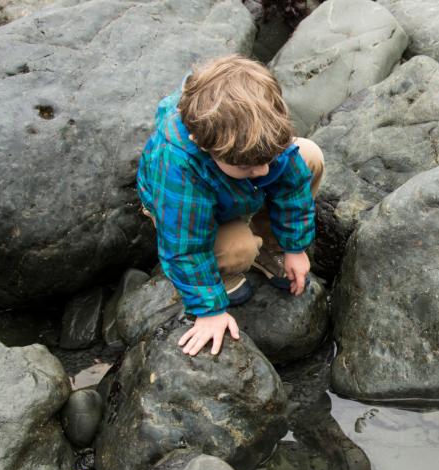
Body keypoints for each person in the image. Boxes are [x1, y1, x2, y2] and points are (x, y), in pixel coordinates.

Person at [137, 55, 324, 356]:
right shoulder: (178, 165)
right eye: (249, 165)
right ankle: (225, 275)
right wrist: (209, 310)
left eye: (268, 159)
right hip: (188, 210)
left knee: (309, 156)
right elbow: (185, 245)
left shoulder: (259, 139)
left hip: (236, 188)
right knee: (237, 248)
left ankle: (271, 246)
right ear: (202, 142)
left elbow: (292, 190)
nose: (263, 170)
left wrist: (295, 247)